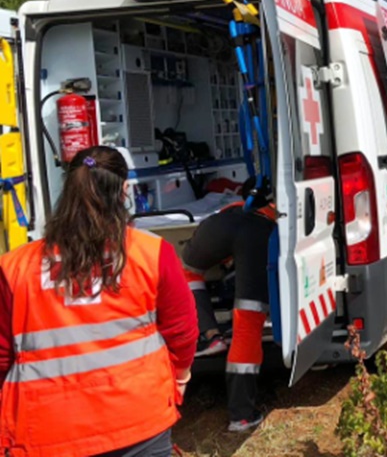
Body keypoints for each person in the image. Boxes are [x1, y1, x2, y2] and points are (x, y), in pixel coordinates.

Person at [0, 146, 197, 457]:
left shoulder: (15, 267)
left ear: (68, 190)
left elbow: (2, 354)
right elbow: (181, 330)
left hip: (48, 429)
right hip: (139, 418)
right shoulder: (151, 253)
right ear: (124, 191)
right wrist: (181, 377)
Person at [181, 192, 276, 433]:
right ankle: (242, 416)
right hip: (257, 234)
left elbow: (194, 255)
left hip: (217, 227)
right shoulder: (267, 220)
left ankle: (210, 335)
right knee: (247, 325)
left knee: (187, 271)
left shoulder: (229, 208)